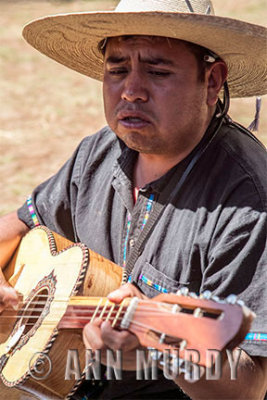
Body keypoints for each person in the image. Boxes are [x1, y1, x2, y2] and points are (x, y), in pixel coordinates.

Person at [0, 0, 266, 398]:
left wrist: (160, 340)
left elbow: (248, 385)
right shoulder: (100, 151)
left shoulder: (249, 202)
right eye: (117, 70)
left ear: (212, 81)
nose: (131, 91)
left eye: (158, 72)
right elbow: (21, 224)